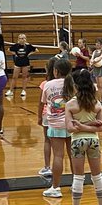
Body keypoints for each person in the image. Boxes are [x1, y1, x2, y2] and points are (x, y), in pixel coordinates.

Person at [63, 67, 102, 205]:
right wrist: (89, 124)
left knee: (78, 176)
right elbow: (100, 127)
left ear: (75, 86)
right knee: (97, 176)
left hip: (77, 142)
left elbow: (70, 128)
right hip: (94, 141)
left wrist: (81, 126)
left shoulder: (70, 105)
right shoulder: (97, 104)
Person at [37, 55, 70, 197]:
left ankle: (55, 188)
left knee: (58, 155)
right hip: (71, 124)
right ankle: (77, 184)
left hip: (55, 124)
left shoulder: (48, 85)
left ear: (55, 71)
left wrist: (39, 117)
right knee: (74, 155)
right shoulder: (73, 83)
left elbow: (43, 102)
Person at [7, 34, 36, 99]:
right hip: (17, 63)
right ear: (18, 39)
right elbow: (8, 49)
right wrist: (15, 54)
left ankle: (24, 90)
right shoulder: (16, 46)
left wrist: (28, 54)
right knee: (14, 77)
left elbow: (36, 50)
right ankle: (11, 91)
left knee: (24, 77)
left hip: (25, 63)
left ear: (25, 39)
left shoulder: (28, 46)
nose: (22, 39)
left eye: (23, 38)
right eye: (20, 38)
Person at [89, 38, 102, 108]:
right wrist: (91, 62)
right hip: (96, 68)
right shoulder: (94, 51)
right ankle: (99, 100)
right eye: (96, 43)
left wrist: (96, 60)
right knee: (98, 85)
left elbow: (101, 56)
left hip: (101, 68)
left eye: (98, 43)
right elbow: (92, 58)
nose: (96, 44)